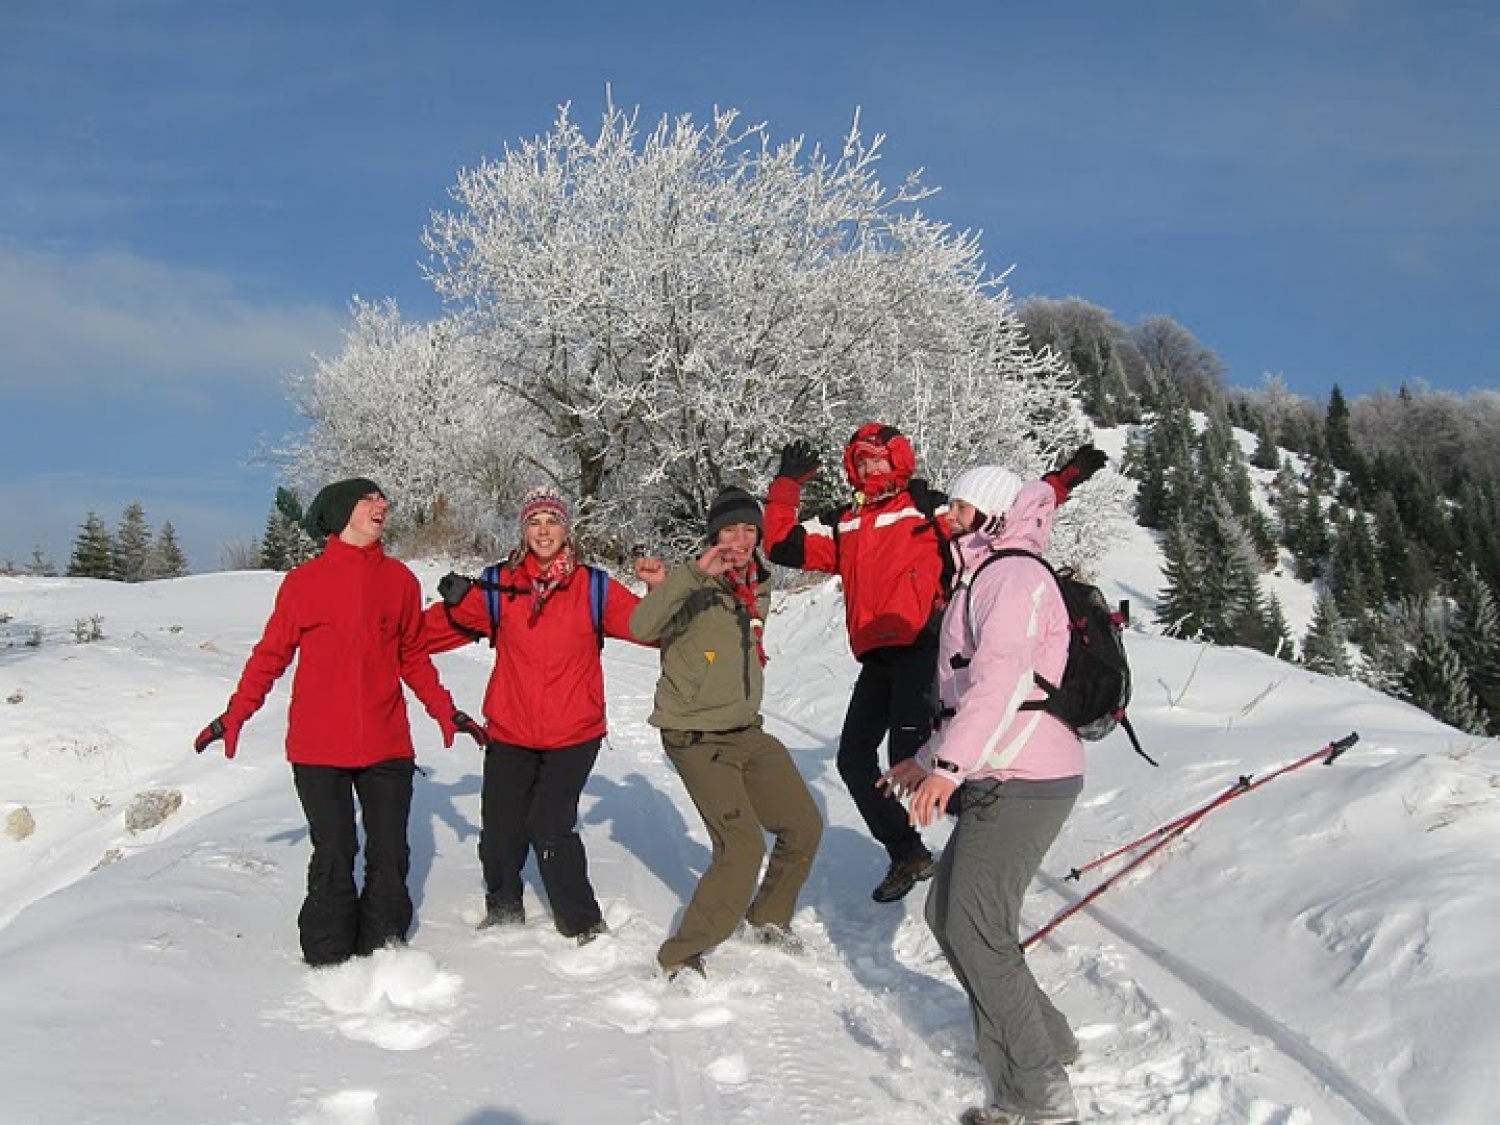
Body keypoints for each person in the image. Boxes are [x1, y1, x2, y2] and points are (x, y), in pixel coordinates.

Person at [764, 424, 1105, 904]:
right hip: (876, 658)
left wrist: (1064, 479)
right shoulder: (844, 523)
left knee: (915, 754)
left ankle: (988, 845)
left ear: (899, 461)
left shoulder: (928, 510)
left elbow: (1005, 511)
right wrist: (786, 487)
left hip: (924, 649)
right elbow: (781, 547)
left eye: (878, 459)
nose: (869, 468)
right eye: (860, 462)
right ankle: (908, 852)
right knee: (853, 761)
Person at [193, 478, 485, 967]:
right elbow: (270, 656)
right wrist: (236, 713)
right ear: (343, 511)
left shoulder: (399, 582)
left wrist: (445, 709)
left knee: (390, 854)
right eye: (370, 499)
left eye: (382, 499)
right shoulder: (304, 583)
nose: (383, 505)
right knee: (334, 852)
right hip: (318, 745)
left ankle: (382, 951)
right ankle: (327, 960)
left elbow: (412, 656)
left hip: (387, 742)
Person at [880, 465, 1086, 1125]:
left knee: (973, 924)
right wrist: (922, 760)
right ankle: (1047, 1039)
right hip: (1000, 769)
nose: (949, 518)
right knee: (951, 914)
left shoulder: (1014, 576)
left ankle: (1037, 1092)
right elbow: (964, 696)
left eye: (962, 508)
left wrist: (947, 768)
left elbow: (1000, 685)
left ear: (993, 514)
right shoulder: (982, 576)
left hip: (1029, 776)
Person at [422, 485, 647, 944]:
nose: (543, 531)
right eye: (534, 522)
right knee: (501, 826)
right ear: (524, 530)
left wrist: (687, 606)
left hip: (574, 731)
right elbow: (427, 634)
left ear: (566, 529)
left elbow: (651, 626)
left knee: (550, 823)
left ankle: (583, 922)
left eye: (552, 521)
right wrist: (379, 636)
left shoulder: (594, 587)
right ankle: (504, 911)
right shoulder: (497, 586)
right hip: (510, 728)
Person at [630, 486, 824, 980]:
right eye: (729, 530)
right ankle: (680, 955)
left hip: (745, 729)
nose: (739, 540)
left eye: (748, 530)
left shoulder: (759, 583)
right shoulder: (691, 581)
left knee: (803, 824)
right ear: (713, 535)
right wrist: (686, 577)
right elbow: (642, 624)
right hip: (694, 735)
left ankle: (767, 917)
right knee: (740, 848)